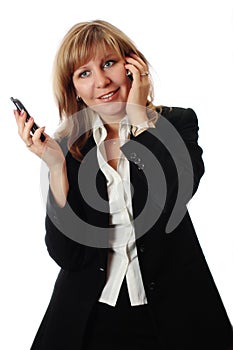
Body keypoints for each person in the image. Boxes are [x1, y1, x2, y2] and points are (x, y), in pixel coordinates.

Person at [14, 20, 233, 350]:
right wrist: (56, 168)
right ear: (73, 88)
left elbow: (176, 193)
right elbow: (68, 256)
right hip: (88, 320)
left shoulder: (177, 123)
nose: (101, 81)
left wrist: (140, 119)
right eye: (83, 73)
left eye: (109, 63)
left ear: (133, 65)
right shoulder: (69, 148)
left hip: (173, 317)